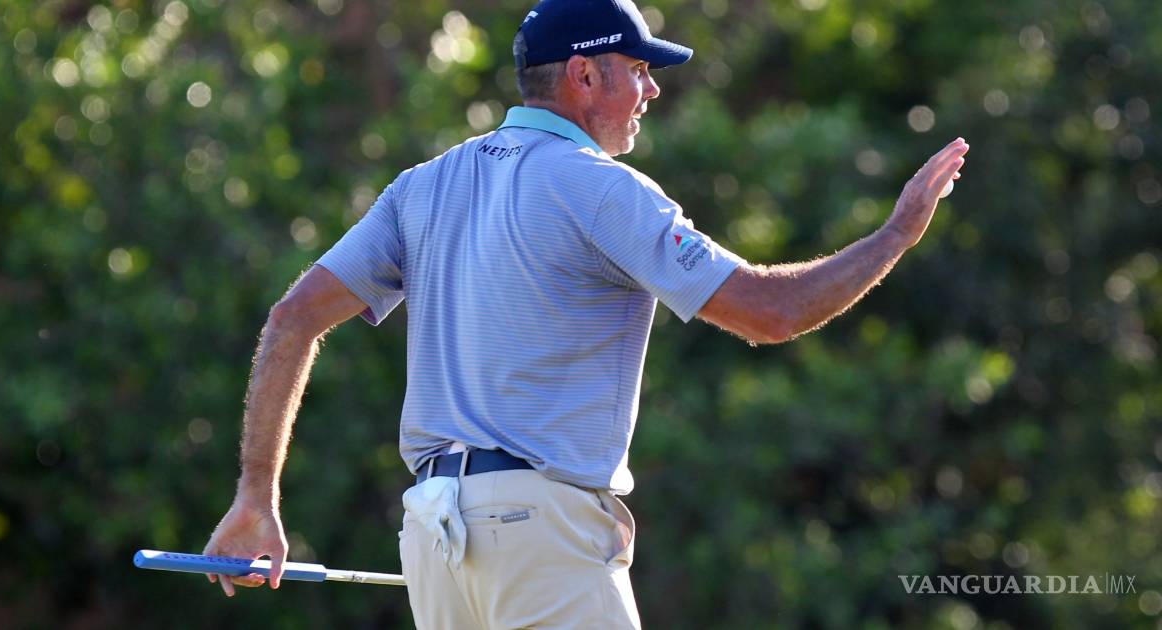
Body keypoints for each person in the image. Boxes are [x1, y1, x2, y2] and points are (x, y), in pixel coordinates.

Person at [201, 0, 969, 627]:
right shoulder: (602, 187)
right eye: (638, 69)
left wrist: (256, 495)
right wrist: (895, 235)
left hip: (432, 539)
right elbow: (773, 312)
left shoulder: (420, 186)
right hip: (541, 533)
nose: (652, 90)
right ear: (583, 75)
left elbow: (292, 317)